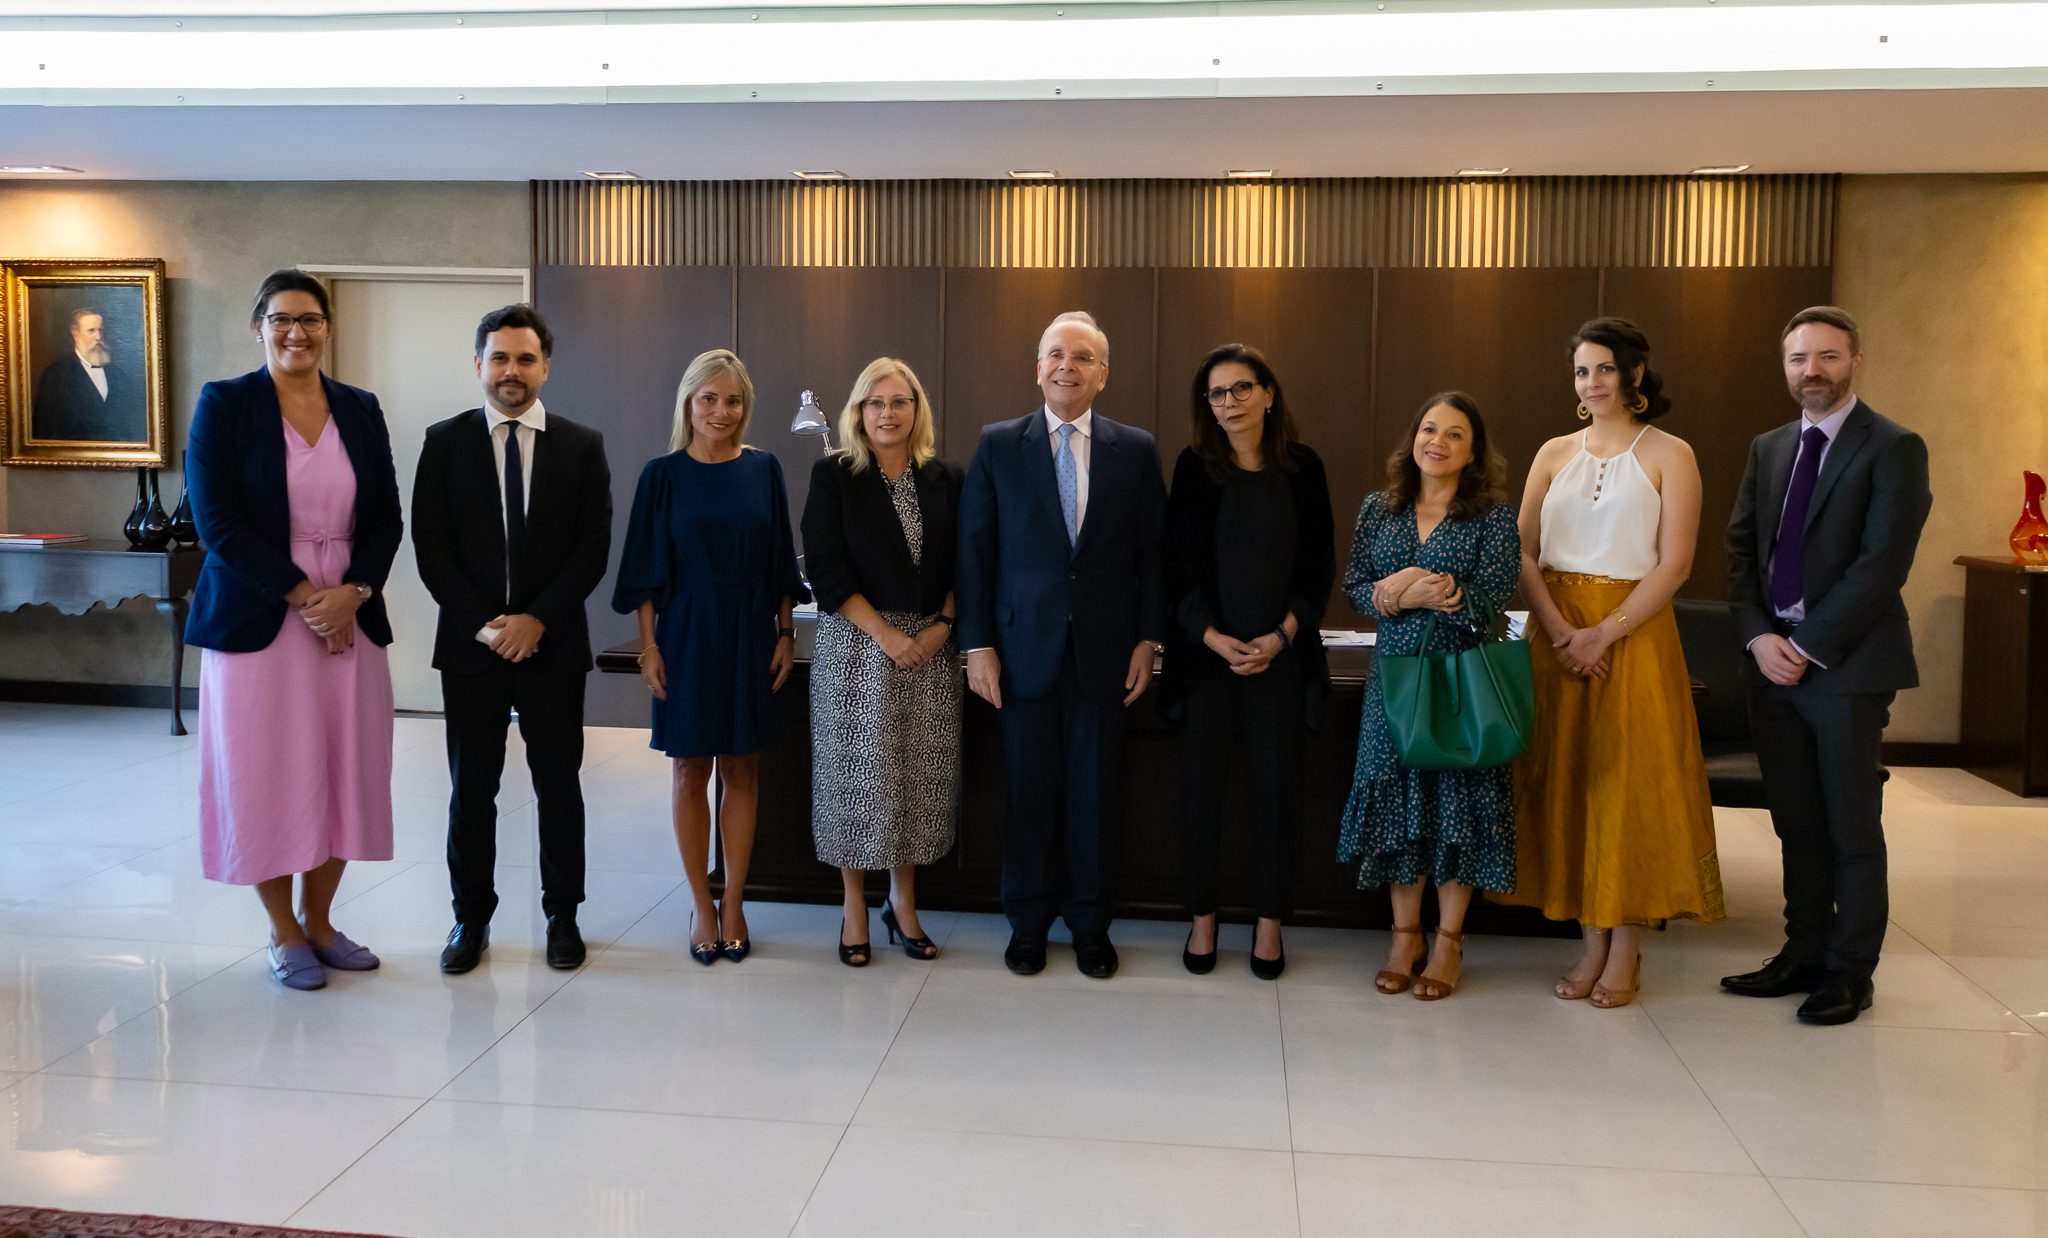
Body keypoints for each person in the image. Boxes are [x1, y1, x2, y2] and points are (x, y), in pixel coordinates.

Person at [183, 269, 402, 991]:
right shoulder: (226, 404)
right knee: (267, 773)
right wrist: (308, 596)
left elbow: (387, 518)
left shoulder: (361, 410)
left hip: (351, 615)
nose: (295, 333)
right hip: (260, 616)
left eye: (308, 320)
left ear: (327, 327)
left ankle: (321, 921)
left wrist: (354, 592)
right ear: (258, 327)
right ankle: (282, 931)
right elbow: (216, 521)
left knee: (346, 769)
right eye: (280, 320)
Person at [1497, 318, 1723, 1008]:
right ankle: (1587, 942)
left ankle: (1626, 945)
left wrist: (1605, 634)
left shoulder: (1670, 453)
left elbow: (1676, 563)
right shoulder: (1553, 451)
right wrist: (1565, 631)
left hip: (1635, 635)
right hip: (1556, 633)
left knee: (1627, 790)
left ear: (1634, 373)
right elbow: (1523, 550)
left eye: (1602, 369)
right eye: (1579, 372)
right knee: (1567, 782)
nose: (1590, 383)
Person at [1721, 307, 1930, 1026]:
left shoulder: (1894, 447)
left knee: (1849, 825)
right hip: (1769, 663)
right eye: (1799, 359)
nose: (1812, 371)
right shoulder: (1769, 446)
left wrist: (1808, 647)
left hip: (1845, 666)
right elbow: (1742, 555)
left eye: (1828, 357)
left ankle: (1849, 971)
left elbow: (1883, 564)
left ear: (1856, 362)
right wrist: (1757, 639)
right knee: (1796, 822)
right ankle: (1801, 953)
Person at [957, 310, 1166, 979]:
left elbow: (1154, 557)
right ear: (1037, 366)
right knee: (1028, 792)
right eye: (1055, 354)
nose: (1065, 367)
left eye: (1081, 357)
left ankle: (1089, 924)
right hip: (1021, 655)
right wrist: (977, 645)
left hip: (1106, 653)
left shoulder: (1134, 450)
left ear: (1103, 374)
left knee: (1095, 795)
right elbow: (975, 553)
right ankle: (1026, 922)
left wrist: (1148, 639)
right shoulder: (998, 444)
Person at [412, 304, 613, 976]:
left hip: (552, 648)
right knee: (473, 791)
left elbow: (591, 549)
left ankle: (563, 915)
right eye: (499, 358)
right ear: (478, 365)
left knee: (559, 785)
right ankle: (470, 918)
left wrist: (535, 622)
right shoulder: (444, 443)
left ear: (546, 367)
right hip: (471, 650)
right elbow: (432, 550)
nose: (511, 371)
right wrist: (488, 626)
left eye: (525, 359)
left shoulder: (583, 445)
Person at [614, 349, 804, 966]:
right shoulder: (661, 474)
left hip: (751, 629)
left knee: (743, 768)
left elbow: (781, 560)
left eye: (733, 400)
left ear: (746, 407)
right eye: (708, 399)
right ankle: (701, 903)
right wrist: (648, 647)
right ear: (688, 404)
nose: (721, 411)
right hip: (688, 630)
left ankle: (737, 900)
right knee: (690, 768)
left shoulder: (764, 468)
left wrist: (784, 633)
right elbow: (645, 568)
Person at [1338, 393, 1520, 1000]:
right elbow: (1356, 585)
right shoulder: (1378, 508)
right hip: (1393, 680)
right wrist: (1389, 597)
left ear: (1473, 452)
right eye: (1428, 429)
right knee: (1399, 806)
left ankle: (1448, 942)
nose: (1436, 441)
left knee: (1455, 807)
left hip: (1458, 680)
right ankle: (1403, 936)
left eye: (1454, 434)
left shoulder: (1492, 515)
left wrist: (1436, 592)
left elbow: (1496, 599)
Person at [1162, 344, 1334, 981]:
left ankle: (1269, 923)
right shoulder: (1193, 467)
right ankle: (1202, 917)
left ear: (1268, 393)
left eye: (1240, 389)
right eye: (1216, 393)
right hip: (1206, 659)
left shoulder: (1303, 467)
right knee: (1201, 792)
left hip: (1281, 661)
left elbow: (1319, 566)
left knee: (1275, 791)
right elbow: (1174, 567)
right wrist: (1211, 637)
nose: (1228, 403)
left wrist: (1282, 636)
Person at [801, 358, 965, 966]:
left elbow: (964, 561)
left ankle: (903, 905)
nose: (887, 413)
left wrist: (942, 626)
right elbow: (825, 567)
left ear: (917, 410)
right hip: (857, 647)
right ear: (858, 413)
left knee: (914, 785)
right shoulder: (835, 475)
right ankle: (852, 907)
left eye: (899, 402)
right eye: (875, 403)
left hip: (931, 650)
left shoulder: (946, 477)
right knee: (856, 782)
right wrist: (887, 636)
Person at [33, 305, 145, 442]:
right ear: (75, 334)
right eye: (91, 331)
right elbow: (45, 429)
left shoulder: (118, 375)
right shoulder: (55, 375)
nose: (98, 337)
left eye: (101, 330)